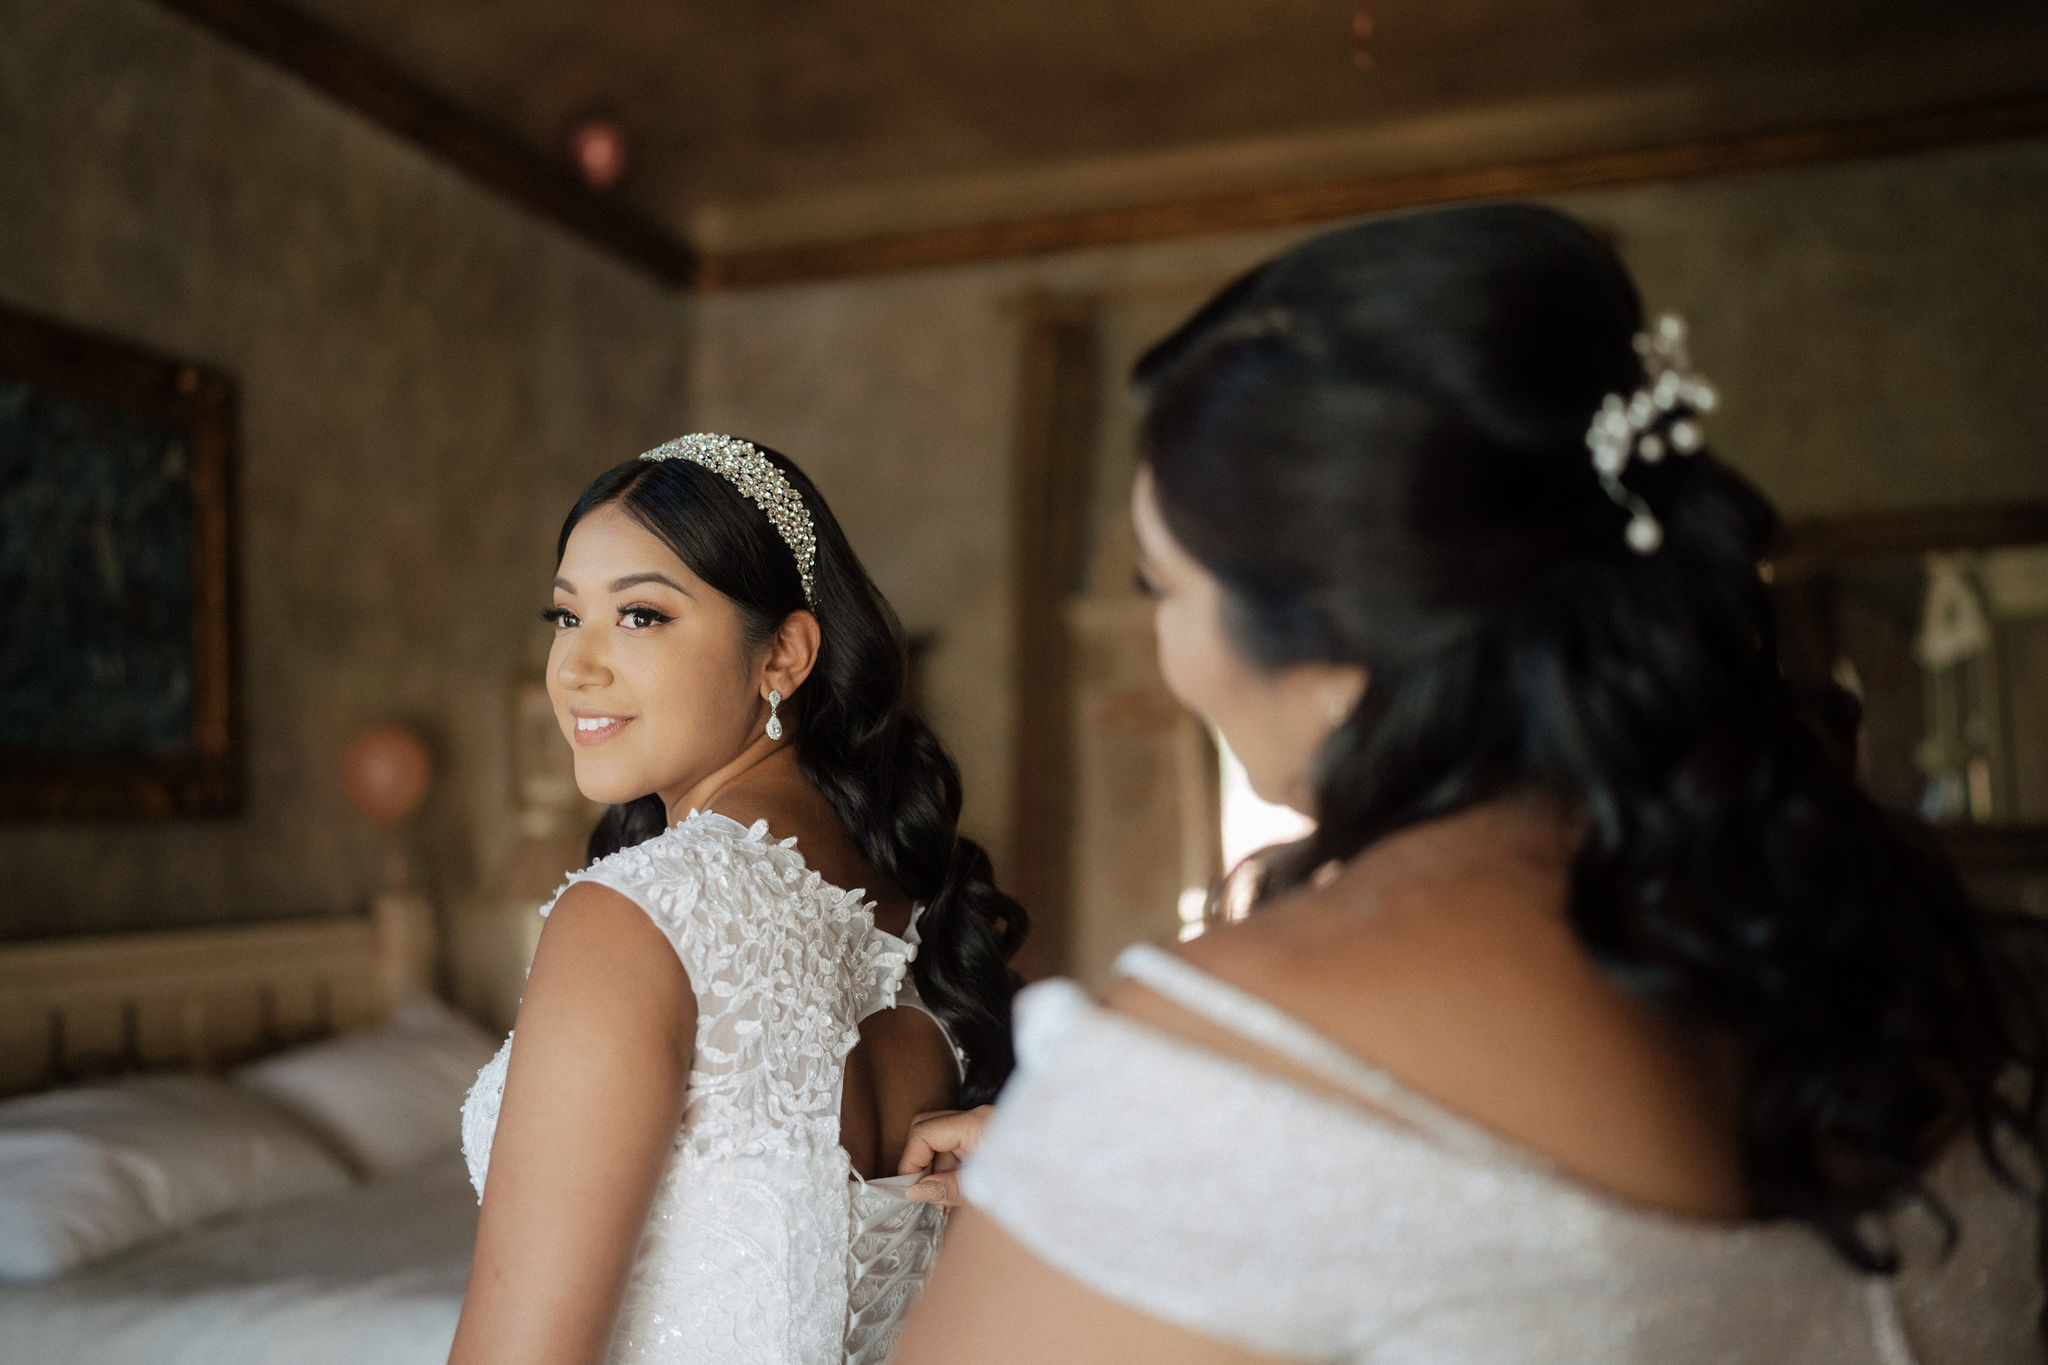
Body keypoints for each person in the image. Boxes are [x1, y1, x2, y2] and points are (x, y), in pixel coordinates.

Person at [892, 204, 2047, 1364]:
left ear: (1338, 654)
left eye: (1165, 590)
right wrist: (1117, 1190)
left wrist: (1132, 1161)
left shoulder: (1205, 1067)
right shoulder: (1924, 974)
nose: (1166, 650)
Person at [450, 435, 1026, 1365]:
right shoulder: (905, 909)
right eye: (564, 617)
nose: (575, 668)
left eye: (640, 615)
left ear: (785, 655)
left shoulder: (634, 918)